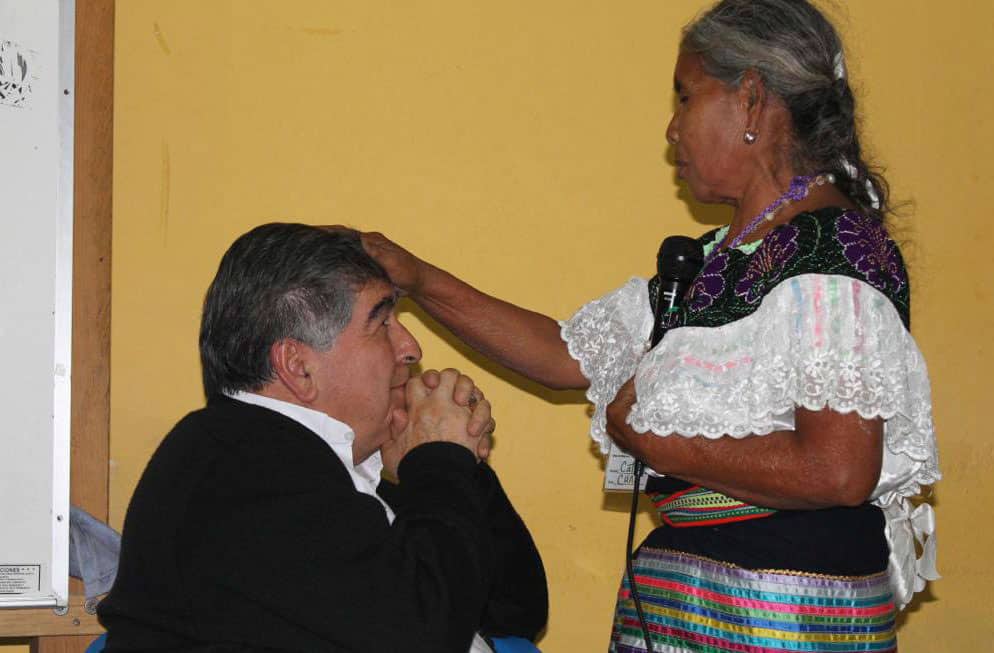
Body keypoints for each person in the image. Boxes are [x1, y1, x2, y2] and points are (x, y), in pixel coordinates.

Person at [360, 1, 939, 651]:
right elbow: (563, 353)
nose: (671, 129)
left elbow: (838, 470)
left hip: (783, 619)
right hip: (684, 607)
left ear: (750, 101)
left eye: (685, 97)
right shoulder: (720, 259)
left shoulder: (835, 256)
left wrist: (657, 443)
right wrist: (418, 277)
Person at [97, 224, 548, 652]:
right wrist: (439, 459)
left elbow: (514, 611)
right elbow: (425, 636)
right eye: (382, 322)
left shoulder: (323, 457)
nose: (410, 348)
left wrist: (449, 462)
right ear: (298, 366)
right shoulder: (244, 466)